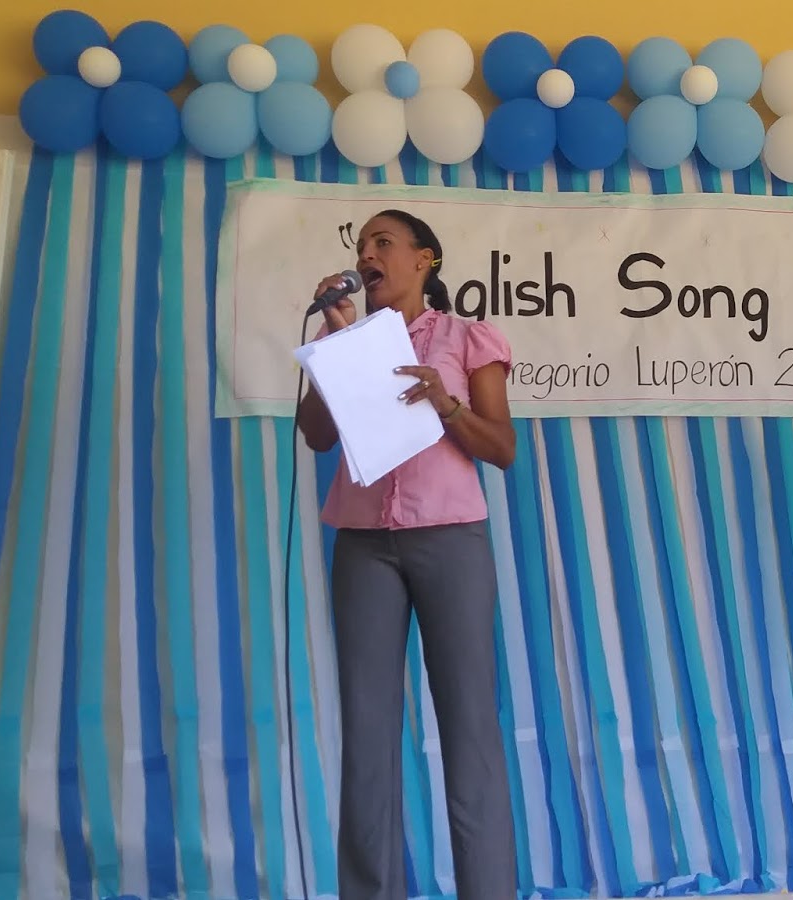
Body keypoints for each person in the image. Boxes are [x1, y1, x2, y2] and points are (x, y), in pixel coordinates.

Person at [296, 208, 519, 899]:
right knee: (367, 734)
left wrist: (446, 405)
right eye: (362, 245)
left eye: (383, 242)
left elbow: (501, 448)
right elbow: (316, 436)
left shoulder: (465, 337)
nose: (368, 254)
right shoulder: (348, 340)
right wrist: (335, 352)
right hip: (363, 545)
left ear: (425, 260)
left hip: (451, 541)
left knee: (469, 728)